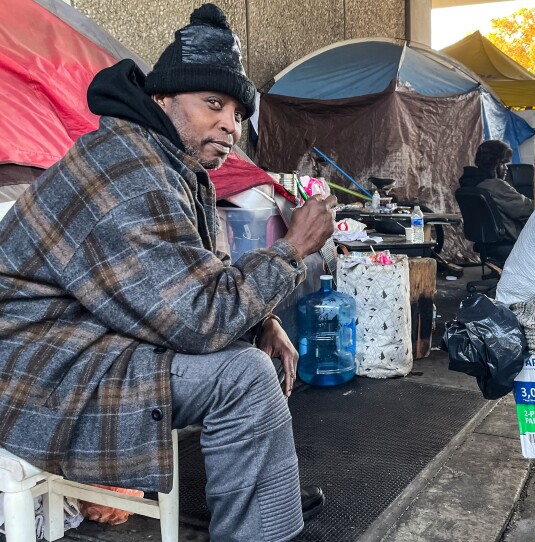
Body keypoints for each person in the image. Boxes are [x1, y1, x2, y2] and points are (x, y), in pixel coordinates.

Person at [0, 4, 329, 541]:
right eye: (213, 104)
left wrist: (262, 318)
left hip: (81, 338)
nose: (229, 124)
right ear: (162, 99)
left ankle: (261, 506)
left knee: (248, 357)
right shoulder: (130, 173)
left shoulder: (166, 161)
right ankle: (260, 526)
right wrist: (293, 249)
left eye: (238, 115)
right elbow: (200, 319)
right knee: (241, 377)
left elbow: (192, 279)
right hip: (30, 369)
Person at [458, 140, 534, 242]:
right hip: (514, 239)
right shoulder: (496, 186)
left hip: (492, 241)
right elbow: (527, 208)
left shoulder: (472, 183)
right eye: (504, 163)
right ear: (494, 163)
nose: (506, 168)